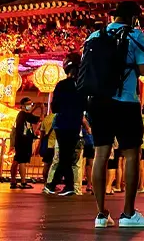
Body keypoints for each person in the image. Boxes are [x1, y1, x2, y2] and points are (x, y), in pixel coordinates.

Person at [83, 0, 144, 228]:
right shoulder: (135, 35)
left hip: (98, 103)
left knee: (100, 155)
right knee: (132, 155)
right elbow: (143, 70)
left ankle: (101, 215)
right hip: (125, 102)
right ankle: (128, 213)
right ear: (133, 18)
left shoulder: (93, 37)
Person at [44, 55, 85, 196]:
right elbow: (85, 105)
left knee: (64, 155)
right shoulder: (82, 86)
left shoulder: (61, 85)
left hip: (62, 124)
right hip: (75, 124)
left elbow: (54, 107)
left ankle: (58, 185)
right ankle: (60, 185)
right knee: (66, 155)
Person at [10, 98, 39, 189]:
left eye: (31, 104)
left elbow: (31, 117)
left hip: (21, 141)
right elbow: (37, 119)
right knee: (22, 161)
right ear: (22, 105)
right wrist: (41, 109)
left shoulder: (23, 115)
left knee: (16, 161)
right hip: (23, 142)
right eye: (28, 104)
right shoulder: (23, 114)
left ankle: (13, 181)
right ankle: (23, 182)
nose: (30, 106)